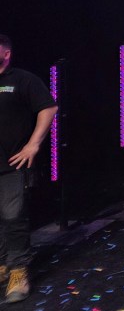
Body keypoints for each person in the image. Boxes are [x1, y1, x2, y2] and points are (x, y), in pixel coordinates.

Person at [0, 34, 57, 303]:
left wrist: (33, 145)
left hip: (12, 163)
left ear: (6, 53)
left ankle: (18, 271)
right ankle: (3, 265)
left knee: (13, 218)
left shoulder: (23, 79)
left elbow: (48, 108)